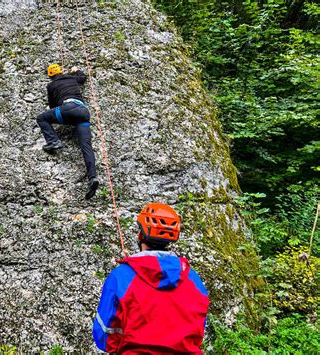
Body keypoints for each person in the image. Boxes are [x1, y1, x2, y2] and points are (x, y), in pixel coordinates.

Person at [93, 203, 210, 354]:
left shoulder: (120, 276)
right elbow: (198, 331)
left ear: (140, 235)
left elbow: (104, 334)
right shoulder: (193, 279)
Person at [37, 63, 99, 199]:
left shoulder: (51, 85)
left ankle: (53, 141)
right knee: (86, 147)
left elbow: (52, 105)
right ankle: (92, 177)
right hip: (83, 112)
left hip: (67, 108)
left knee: (42, 118)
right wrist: (77, 71)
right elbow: (82, 78)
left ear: (50, 76)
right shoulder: (72, 78)